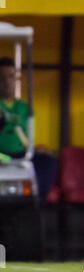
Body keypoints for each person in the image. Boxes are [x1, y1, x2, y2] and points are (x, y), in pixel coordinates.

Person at [0, 57, 58, 205]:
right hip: (1, 155)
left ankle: (36, 203)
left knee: (48, 162)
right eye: (2, 77)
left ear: (16, 80)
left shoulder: (25, 109)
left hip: (21, 155)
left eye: (11, 77)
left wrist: (36, 148)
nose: (7, 82)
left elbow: (27, 142)